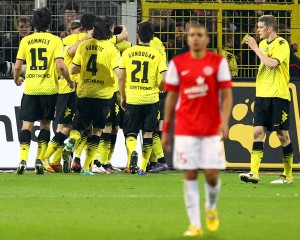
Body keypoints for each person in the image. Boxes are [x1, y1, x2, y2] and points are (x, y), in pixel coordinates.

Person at [162, 22, 233, 236]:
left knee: (212, 175)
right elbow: (171, 97)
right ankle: (195, 224)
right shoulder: (177, 63)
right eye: (191, 34)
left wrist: (224, 120)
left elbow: (227, 94)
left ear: (207, 39)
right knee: (190, 174)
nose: (195, 38)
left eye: (199, 35)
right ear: (188, 38)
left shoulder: (218, 63)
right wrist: (166, 129)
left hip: (211, 129)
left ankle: (210, 207)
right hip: (185, 128)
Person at [14, 7, 74, 175]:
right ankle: (40, 160)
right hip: (49, 89)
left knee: (26, 125)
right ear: (49, 23)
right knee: (46, 125)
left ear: (34, 23)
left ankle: (22, 160)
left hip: (31, 88)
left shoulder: (26, 40)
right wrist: (69, 80)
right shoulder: (55, 40)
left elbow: (18, 66)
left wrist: (16, 78)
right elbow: (61, 65)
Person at [62, 16, 120, 175]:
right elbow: (118, 72)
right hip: (103, 95)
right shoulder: (111, 49)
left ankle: (72, 141)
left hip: (84, 92)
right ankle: (87, 167)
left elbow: (73, 69)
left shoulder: (84, 46)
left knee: (79, 127)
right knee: (97, 130)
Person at [239, 15, 294, 184]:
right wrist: (258, 48)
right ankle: (254, 172)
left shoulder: (282, 44)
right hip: (262, 95)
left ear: (270, 29)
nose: (257, 30)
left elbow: (272, 64)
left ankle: (288, 175)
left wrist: (255, 49)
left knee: (282, 135)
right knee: (257, 132)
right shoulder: (263, 44)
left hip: (278, 95)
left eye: (260, 27)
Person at [41, 12, 96, 173]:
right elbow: (70, 54)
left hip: (73, 88)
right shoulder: (82, 40)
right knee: (67, 126)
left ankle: (67, 161)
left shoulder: (64, 40)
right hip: (72, 88)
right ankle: (49, 158)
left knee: (77, 126)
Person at [119, 21, 167, 175]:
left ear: (137, 35)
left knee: (131, 132)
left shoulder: (128, 53)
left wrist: (123, 96)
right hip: (151, 99)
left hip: (133, 98)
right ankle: (142, 167)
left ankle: (133, 151)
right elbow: (165, 77)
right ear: (152, 37)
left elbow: (121, 76)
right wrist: (160, 87)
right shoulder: (157, 55)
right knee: (148, 132)